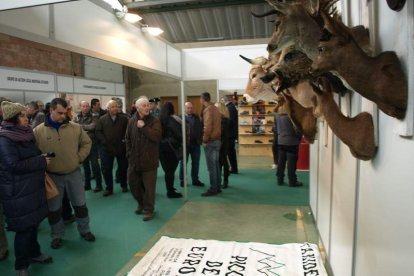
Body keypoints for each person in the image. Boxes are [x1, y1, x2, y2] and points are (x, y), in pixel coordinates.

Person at [33, 98, 95, 250]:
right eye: (59, 113)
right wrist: (41, 161)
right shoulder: (38, 131)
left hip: (73, 173)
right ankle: (57, 235)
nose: (63, 116)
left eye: (65, 112)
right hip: (53, 176)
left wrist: (78, 158)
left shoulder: (75, 128)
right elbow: (33, 153)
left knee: (80, 205)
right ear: (51, 111)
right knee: (54, 209)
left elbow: (87, 143)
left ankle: (85, 230)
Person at [0, 101, 52, 275]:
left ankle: (34, 253)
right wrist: (41, 161)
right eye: (22, 115)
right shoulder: (5, 138)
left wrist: (42, 157)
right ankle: (21, 265)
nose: (26, 117)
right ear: (13, 119)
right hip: (17, 191)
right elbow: (13, 165)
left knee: (33, 223)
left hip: (31, 187)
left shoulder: (26, 133)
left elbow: (32, 155)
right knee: (24, 228)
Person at [125, 97, 161, 221]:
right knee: (133, 183)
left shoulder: (155, 121)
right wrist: (129, 154)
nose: (147, 107)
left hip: (149, 161)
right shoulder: (131, 121)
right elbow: (127, 138)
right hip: (134, 160)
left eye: (148, 105)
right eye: (144, 105)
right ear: (138, 108)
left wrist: (144, 127)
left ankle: (149, 209)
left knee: (149, 188)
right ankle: (141, 203)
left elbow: (156, 136)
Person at [95, 100, 129, 196]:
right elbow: (98, 132)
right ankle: (109, 188)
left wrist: (124, 140)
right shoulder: (102, 119)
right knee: (106, 169)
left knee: (123, 167)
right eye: (113, 107)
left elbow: (128, 132)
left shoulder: (124, 119)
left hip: (121, 148)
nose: (115, 108)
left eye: (116, 106)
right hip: (106, 148)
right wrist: (104, 141)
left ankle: (124, 185)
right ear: (108, 109)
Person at [74, 101, 102, 192]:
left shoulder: (95, 115)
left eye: (87, 106)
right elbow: (74, 128)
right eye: (83, 106)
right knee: (85, 166)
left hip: (92, 143)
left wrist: (80, 127)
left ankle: (99, 185)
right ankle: (87, 184)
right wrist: (85, 128)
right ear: (80, 107)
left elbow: (93, 127)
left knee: (95, 165)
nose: (85, 108)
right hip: (81, 144)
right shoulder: (77, 116)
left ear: (89, 107)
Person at [159, 102, 184, 199]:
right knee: (170, 171)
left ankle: (170, 189)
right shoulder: (173, 120)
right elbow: (179, 135)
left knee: (167, 171)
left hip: (161, 149)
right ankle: (170, 192)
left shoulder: (159, 120)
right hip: (171, 149)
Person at [200, 92, 222, 196]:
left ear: (202, 99)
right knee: (216, 165)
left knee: (212, 166)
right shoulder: (216, 109)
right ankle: (218, 187)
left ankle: (213, 189)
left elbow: (207, 127)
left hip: (211, 141)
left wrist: (204, 140)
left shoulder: (208, 109)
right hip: (218, 140)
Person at [274, 108, 303, 187]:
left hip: (281, 140)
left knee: (281, 162)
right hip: (292, 141)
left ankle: (279, 180)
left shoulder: (277, 114)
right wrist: (299, 137)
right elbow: (297, 129)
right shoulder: (292, 114)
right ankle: (292, 181)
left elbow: (275, 128)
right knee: (291, 163)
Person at [179, 102, 204, 187]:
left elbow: (200, 128)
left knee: (196, 163)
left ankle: (195, 180)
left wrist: (200, 138)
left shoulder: (196, 117)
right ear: (184, 108)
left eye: (191, 108)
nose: (190, 109)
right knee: (183, 163)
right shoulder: (180, 118)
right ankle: (183, 180)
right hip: (185, 145)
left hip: (196, 144)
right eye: (188, 108)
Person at [215, 102, 230, 189]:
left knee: (223, 162)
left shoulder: (223, 121)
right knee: (220, 162)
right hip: (222, 142)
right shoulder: (222, 119)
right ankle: (221, 180)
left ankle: (225, 180)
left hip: (222, 143)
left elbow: (222, 133)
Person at [225, 95, 238, 174]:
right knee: (231, 151)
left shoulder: (229, 108)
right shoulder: (231, 107)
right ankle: (233, 167)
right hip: (231, 133)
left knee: (230, 152)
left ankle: (233, 168)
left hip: (230, 134)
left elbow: (230, 121)